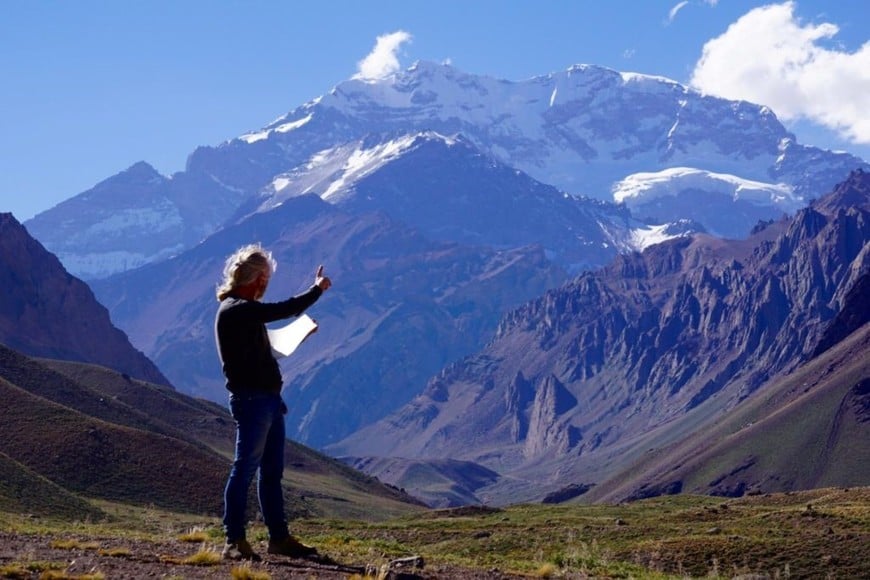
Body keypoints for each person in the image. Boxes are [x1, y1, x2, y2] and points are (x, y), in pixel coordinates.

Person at [214, 243, 332, 561]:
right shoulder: (238, 309)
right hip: (253, 401)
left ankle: (278, 538)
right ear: (258, 278)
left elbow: (261, 347)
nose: (267, 284)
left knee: (269, 472)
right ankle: (234, 540)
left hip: (266, 400)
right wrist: (316, 289)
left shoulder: (239, 311)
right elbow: (283, 309)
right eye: (266, 277)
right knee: (245, 469)